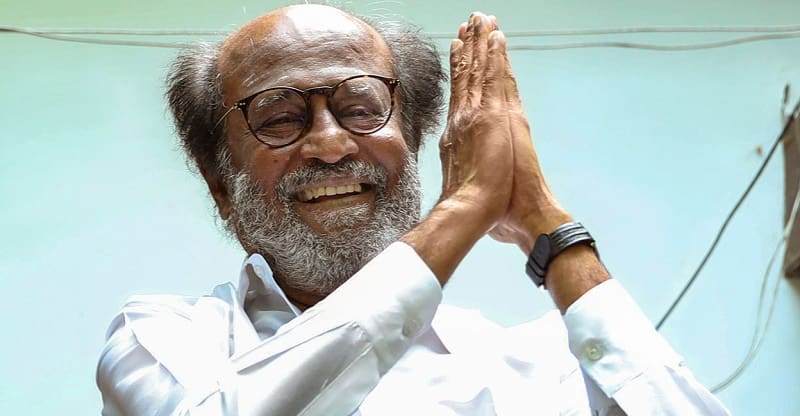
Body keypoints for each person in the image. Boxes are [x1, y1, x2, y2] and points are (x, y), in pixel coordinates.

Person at [96, 4, 729, 415]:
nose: (331, 144)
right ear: (220, 184)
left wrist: (547, 224)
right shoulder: (163, 339)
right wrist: (468, 205)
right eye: (280, 118)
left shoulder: (535, 363)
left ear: (416, 146)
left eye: (362, 108)